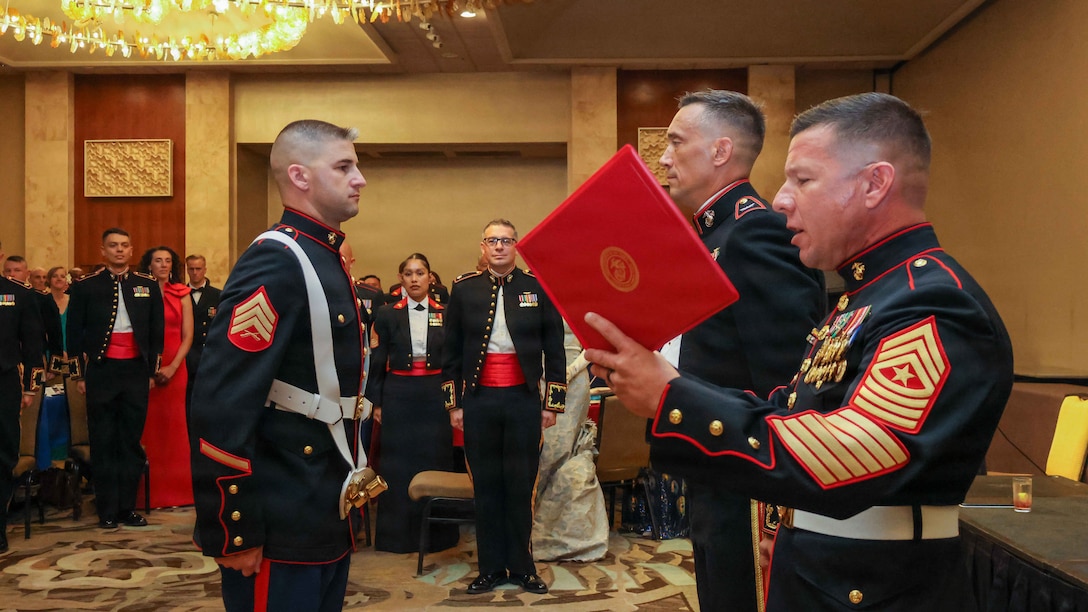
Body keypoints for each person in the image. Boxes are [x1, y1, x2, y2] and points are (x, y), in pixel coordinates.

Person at [584, 93, 1014, 612]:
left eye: (803, 180)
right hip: (824, 559)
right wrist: (787, 524)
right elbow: (795, 408)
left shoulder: (933, 302)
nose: (782, 200)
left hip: (874, 584)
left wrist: (671, 398)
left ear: (875, 184)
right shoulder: (870, 295)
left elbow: (854, 452)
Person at [654, 90, 826, 611]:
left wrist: (778, 503)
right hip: (718, 463)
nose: (663, 158)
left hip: (751, 475)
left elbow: (790, 375)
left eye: (676, 142)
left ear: (720, 151)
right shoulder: (716, 234)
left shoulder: (754, 232)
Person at [189, 119, 369, 612]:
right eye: (344, 167)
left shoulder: (325, 255)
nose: (360, 178)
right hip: (280, 510)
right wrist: (234, 526)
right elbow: (222, 401)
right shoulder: (278, 258)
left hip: (322, 499)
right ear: (300, 176)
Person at [441, 219, 566, 595]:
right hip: (479, 401)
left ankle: (524, 568)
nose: (499, 246)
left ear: (516, 246)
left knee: (521, 484)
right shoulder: (464, 289)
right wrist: (454, 405)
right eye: (492, 240)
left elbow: (555, 349)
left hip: (523, 400)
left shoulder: (537, 287)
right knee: (486, 486)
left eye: (506, 241)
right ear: (483, 246)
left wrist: (552, 404)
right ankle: (491, 568)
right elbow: (450, 352)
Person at [66, 228, 165, 529]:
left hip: (135, 372)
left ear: (131, 250)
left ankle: (126, 508)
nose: (119, 250)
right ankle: (107, 510)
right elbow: (73, 334)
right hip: (102, 371)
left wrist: (151, 372)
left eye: (124, 245)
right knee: (104, 441)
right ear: (103, 251)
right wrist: (79, 376)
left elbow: (157, 332)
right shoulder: (86, 286)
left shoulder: (147, 285)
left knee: (130, 442)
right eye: (113, 246)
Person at [365, 253, 459, 554]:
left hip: (435, 392)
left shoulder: (446, 313)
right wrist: (377, 402)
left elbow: (454, 362)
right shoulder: (387, 313)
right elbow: (377, 361)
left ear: (430, 278)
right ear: (401, 279)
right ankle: (398, 538)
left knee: (435, 458)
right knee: (398, 464)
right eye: (409, 273)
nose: (415, 279)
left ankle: (439, 537)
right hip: (399, 392)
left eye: (420, 273)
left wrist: (454, 400)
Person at [138, 246, 194, 508]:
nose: (163, 265)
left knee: (174, 428)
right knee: (147, 429)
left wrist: (173, 367)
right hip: (144, 368)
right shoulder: (139, 293)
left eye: (167, 261)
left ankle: (178, 492)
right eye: (157, 261)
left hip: (176, 366)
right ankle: (145, 493)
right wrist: (149, 370)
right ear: (149, 265)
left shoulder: (182, 293)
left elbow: (188, 336)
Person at [0, 268, 44, 554]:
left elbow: (33, 344)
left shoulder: (18, 293)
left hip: (4, 382)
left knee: (3, 454)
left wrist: (30, 388)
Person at [184, 254, 221, 414]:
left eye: (198, 269)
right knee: (188, 401)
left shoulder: (218, 295)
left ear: (205, 269)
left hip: (209, 354)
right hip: (187, 355)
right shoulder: (181, 294)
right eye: (191, 269)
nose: (195, 273)